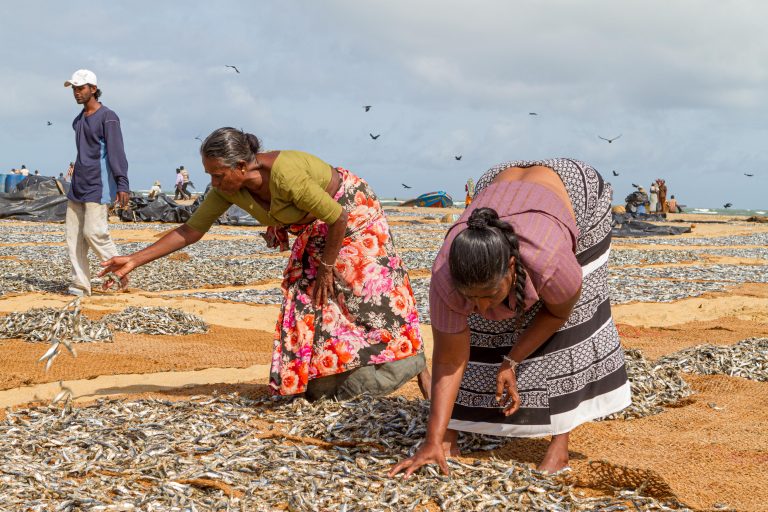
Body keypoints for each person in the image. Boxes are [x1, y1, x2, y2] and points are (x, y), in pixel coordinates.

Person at [100, 127, 430, 399]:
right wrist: (133, 260)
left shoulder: (284, 175)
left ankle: (421, 373)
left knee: (371, 294)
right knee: (308, 298)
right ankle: (319, 383)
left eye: (218, 174)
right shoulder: (228, 189)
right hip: (320, 224)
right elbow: (190, 230)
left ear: (242, 167)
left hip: (352, 212)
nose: (213, 183)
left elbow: (337, 216)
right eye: (209, 175)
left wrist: (327, 267)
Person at [389, 159, 631, 477]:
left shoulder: (551, 263)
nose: (484, 307)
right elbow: (449, 358)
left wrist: (512, 361)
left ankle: (559, 445)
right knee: (473, 324)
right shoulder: (446, 274)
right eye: (471, 297)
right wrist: (431, 439)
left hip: (576, 192)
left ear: (514, 267)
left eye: (490, 294)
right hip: (497, 183)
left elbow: (558, 313)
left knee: (574, 326)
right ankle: (448, 432)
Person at [64, 68, 130, 296]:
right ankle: (80, 284)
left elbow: (116, 152)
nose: (76, 92)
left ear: (93, 89)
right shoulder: (78, 120)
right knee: (73, 238)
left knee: (94, 233)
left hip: (97, 186)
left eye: (80, 88)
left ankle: (120, 273)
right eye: (74, 89)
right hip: (77, 186)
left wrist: (122, 182)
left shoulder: (108, 117)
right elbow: (84, 152)